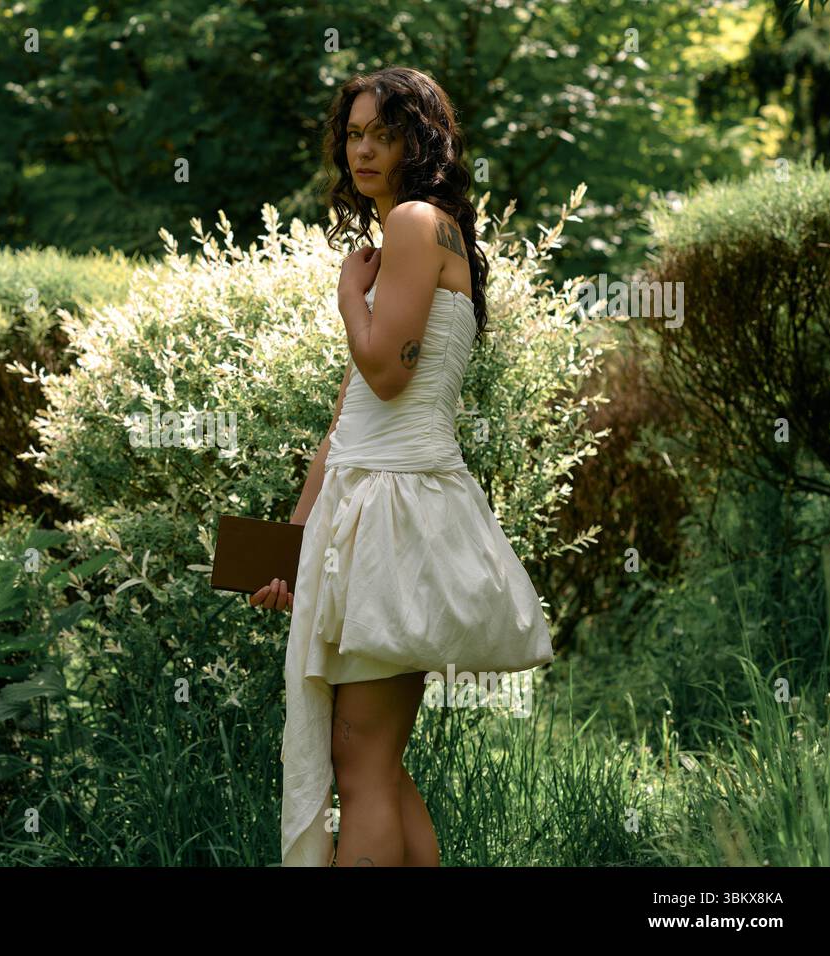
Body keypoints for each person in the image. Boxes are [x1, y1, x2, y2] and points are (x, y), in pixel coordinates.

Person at [250, 67, 554, 867]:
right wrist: (289, 544)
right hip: (371, 502)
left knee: (363, 766)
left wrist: (349, 297)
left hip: (395, 511)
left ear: (421, 142)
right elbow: (349, 418)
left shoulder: (417, 224)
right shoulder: (409, 238)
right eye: (352, 134)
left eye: (383, 133)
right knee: (374, 765)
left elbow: (386, 371)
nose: (363, 149)